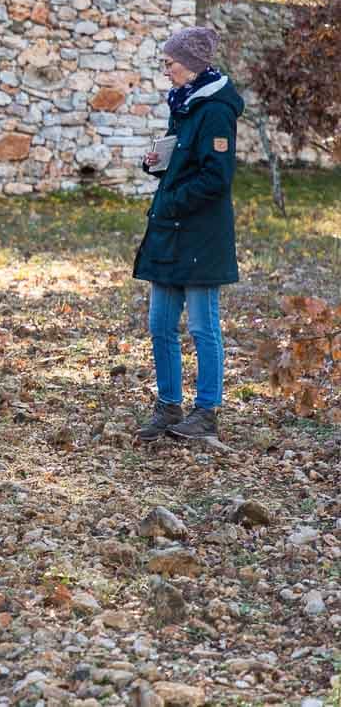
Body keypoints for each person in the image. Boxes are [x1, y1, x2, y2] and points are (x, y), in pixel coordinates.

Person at [135, 26, 243, 443]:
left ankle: (206, 412)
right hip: (170, 230)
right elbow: (182, 162)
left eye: (169, 63)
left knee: (202, 326)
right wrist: (157, 164)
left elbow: (216, 177)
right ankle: (168, 406)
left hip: (201, 234)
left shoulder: (215, 110)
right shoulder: (183, 103)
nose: (165, 70)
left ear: (192, 65)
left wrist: (172, 200)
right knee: (160, 324)